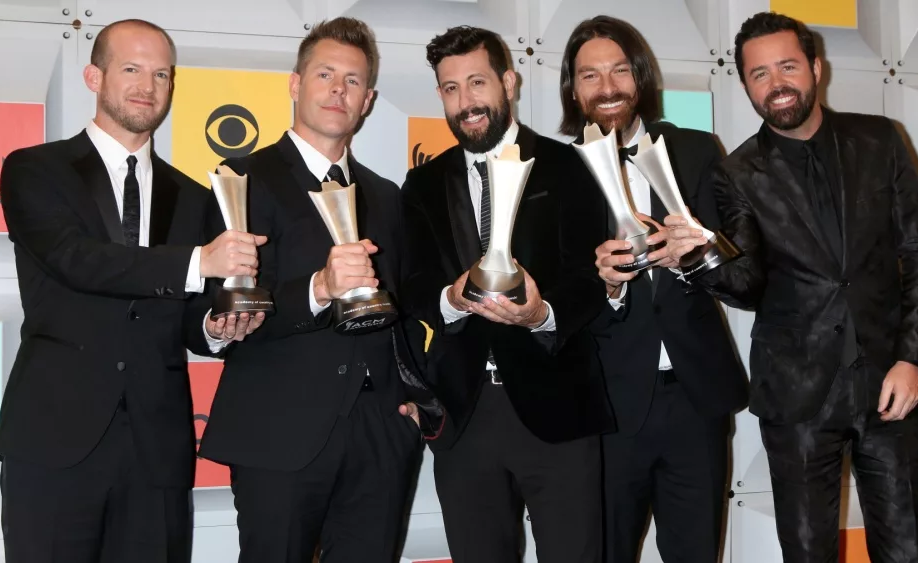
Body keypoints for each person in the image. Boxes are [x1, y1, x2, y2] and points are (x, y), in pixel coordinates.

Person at [666, 12, 918, 562]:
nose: (776, 84)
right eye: (759, 74)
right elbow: (746, 283)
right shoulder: (737, 172)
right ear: (745, 83)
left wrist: (912, 359)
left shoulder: (881, 139)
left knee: (907, 551)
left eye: (787, 66)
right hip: (796, 399)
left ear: (816, 67)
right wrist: (698, 256)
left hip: (889, 386)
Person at [0, 18, 264, 563]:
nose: (147, 86)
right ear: (94, 76)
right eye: (132, 69)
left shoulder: (191, 195)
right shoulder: (35, 170)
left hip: (155, 448)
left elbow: (186, 312)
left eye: (161, 74)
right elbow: (77, 261)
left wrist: (213, 328)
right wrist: (196, 261)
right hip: (54, 440)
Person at [187, 17, 441, 563]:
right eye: (325, 74)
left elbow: (407, 308)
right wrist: (319, 289)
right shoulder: (237, 180)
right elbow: (218, 311)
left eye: (352, 81)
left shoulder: (387, 196)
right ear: (296, 84)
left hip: (381, 435)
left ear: (368, 100)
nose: (338, 90)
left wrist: (418, 399)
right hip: (278, 430)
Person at [400, 25, 613, 563]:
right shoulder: (422, 184)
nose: (466, 102)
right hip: (466, 415)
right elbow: (413, 286)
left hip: (559, 410)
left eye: (477, 83)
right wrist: (451, 298)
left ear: (509, 82)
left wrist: (542, 314)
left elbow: (591, 278)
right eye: (450, 88)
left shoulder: (568, 167)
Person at [559, 15, 749, 563]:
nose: (608, 86)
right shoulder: (555, 172)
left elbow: (739, 270)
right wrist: (608, 287)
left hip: (697, 398)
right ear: (573, 88)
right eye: (590, 75)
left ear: (640, 77)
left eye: (620, 70)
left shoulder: (698, 150)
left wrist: (695, 256)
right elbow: (555, 303)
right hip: (608, 407)